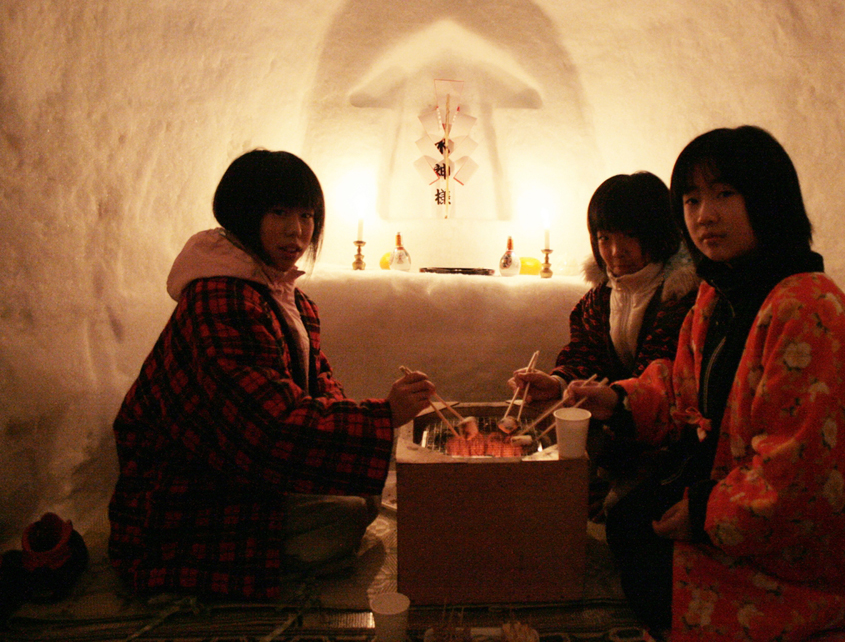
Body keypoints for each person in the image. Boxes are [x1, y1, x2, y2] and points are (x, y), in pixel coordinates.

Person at [567, 126, 845, 642]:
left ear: (770, 200)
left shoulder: (810, 312)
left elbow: (805, 473)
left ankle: (833, 614)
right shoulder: (716, 297)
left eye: (724, 194)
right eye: (691, 199)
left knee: (650, 573)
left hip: (806, 546)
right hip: (734, 489)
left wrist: (706, 512)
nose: (705, 215)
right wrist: (617, 398)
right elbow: (681, 390)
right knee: (630, 521)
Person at [108, 149, 434, 601]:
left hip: (246, 467)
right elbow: (265, 425)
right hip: (188, 488)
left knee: (363, 496)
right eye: (279, 212)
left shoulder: (285, 297)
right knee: (345, 515)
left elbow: (321, 388)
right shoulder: (218, 298)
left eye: (306, 215)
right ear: (245, 214)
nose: (296, 231)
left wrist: (368, 422)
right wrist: (384, 416)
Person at [511, 171, 698, 403]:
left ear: (658, 232)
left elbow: (666, 372)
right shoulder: (597, 300)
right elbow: (585, 357)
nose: (616, 251)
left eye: (630, 235)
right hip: (612, 423)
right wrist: (557, 383)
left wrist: (619, 401)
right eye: (604, 238)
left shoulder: (683, 298)